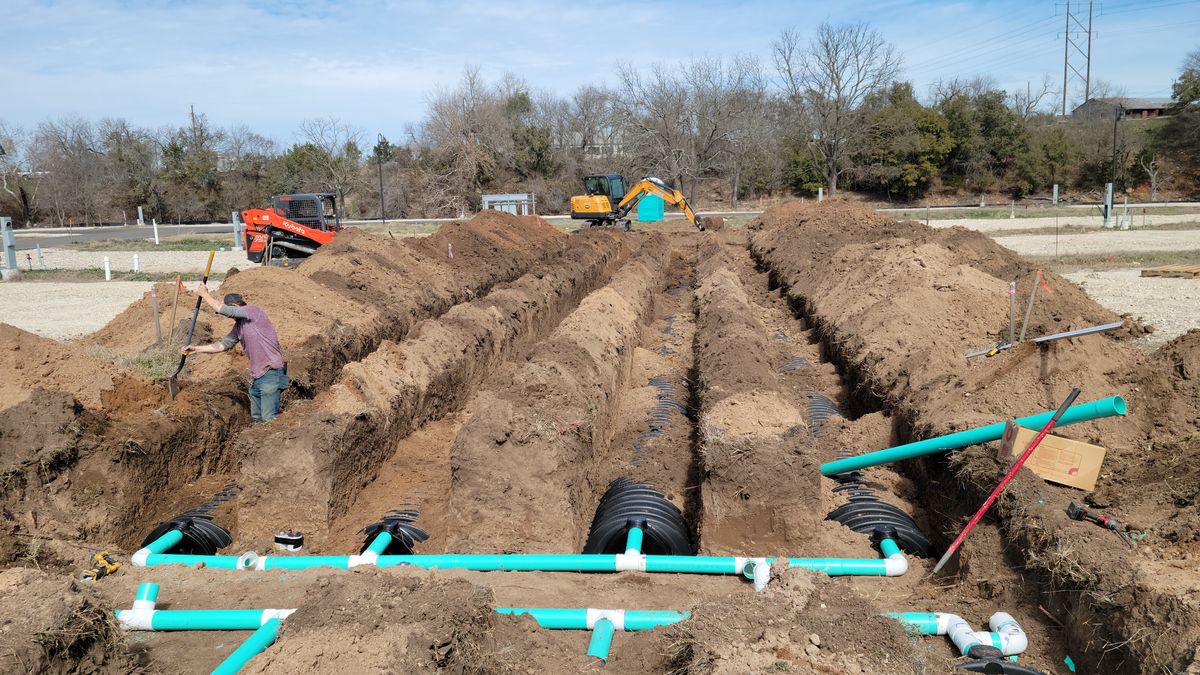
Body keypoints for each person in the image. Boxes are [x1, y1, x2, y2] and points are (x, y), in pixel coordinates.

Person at [181, 284, 289, 423]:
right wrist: (196, 349)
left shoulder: (253, 311)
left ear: (235, 305)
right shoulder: (238, 327)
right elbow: (222, 345)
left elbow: (223, 309)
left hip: (271, 373)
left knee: (269, 421)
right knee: (257, 420)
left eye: (231, 310)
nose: (230, 317)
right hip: (258, 378)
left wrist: (204, 294)